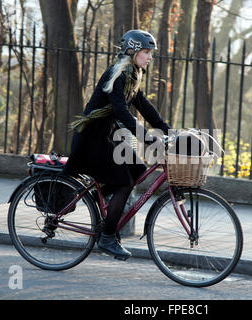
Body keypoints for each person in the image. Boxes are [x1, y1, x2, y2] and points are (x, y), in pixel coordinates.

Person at [63, 30, 170, 260]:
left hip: (107, 135)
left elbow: (145, 107)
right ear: (132, 51)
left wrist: (168, 131)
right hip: (93, 137)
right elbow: (122, 112)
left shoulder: (132, 75)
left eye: (150, 53)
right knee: (123, 183)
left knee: (138, 170)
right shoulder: (118, 74)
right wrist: (147, 138)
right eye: (146, 52)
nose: (150, 57)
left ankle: (98, 200)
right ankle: (108, 237)